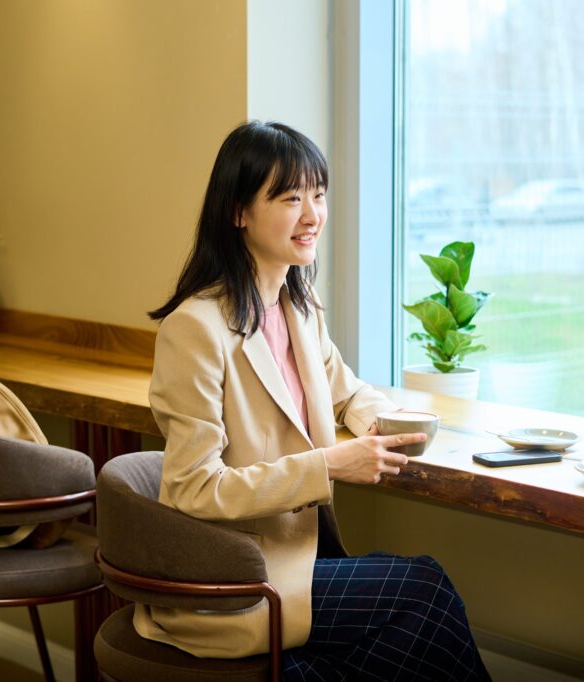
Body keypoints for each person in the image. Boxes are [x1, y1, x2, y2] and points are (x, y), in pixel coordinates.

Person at [140, 120, 489, 681]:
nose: (312, 215)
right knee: (425, 590)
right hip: (243, 576)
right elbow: (192, 489)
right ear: (239, 212)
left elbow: (346, 392)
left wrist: (387, 423)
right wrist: (327, 464)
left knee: (413, 630)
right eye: (290, 197)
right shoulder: (195, 329)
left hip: (305, 558)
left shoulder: (299, 308)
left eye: (318, 195)